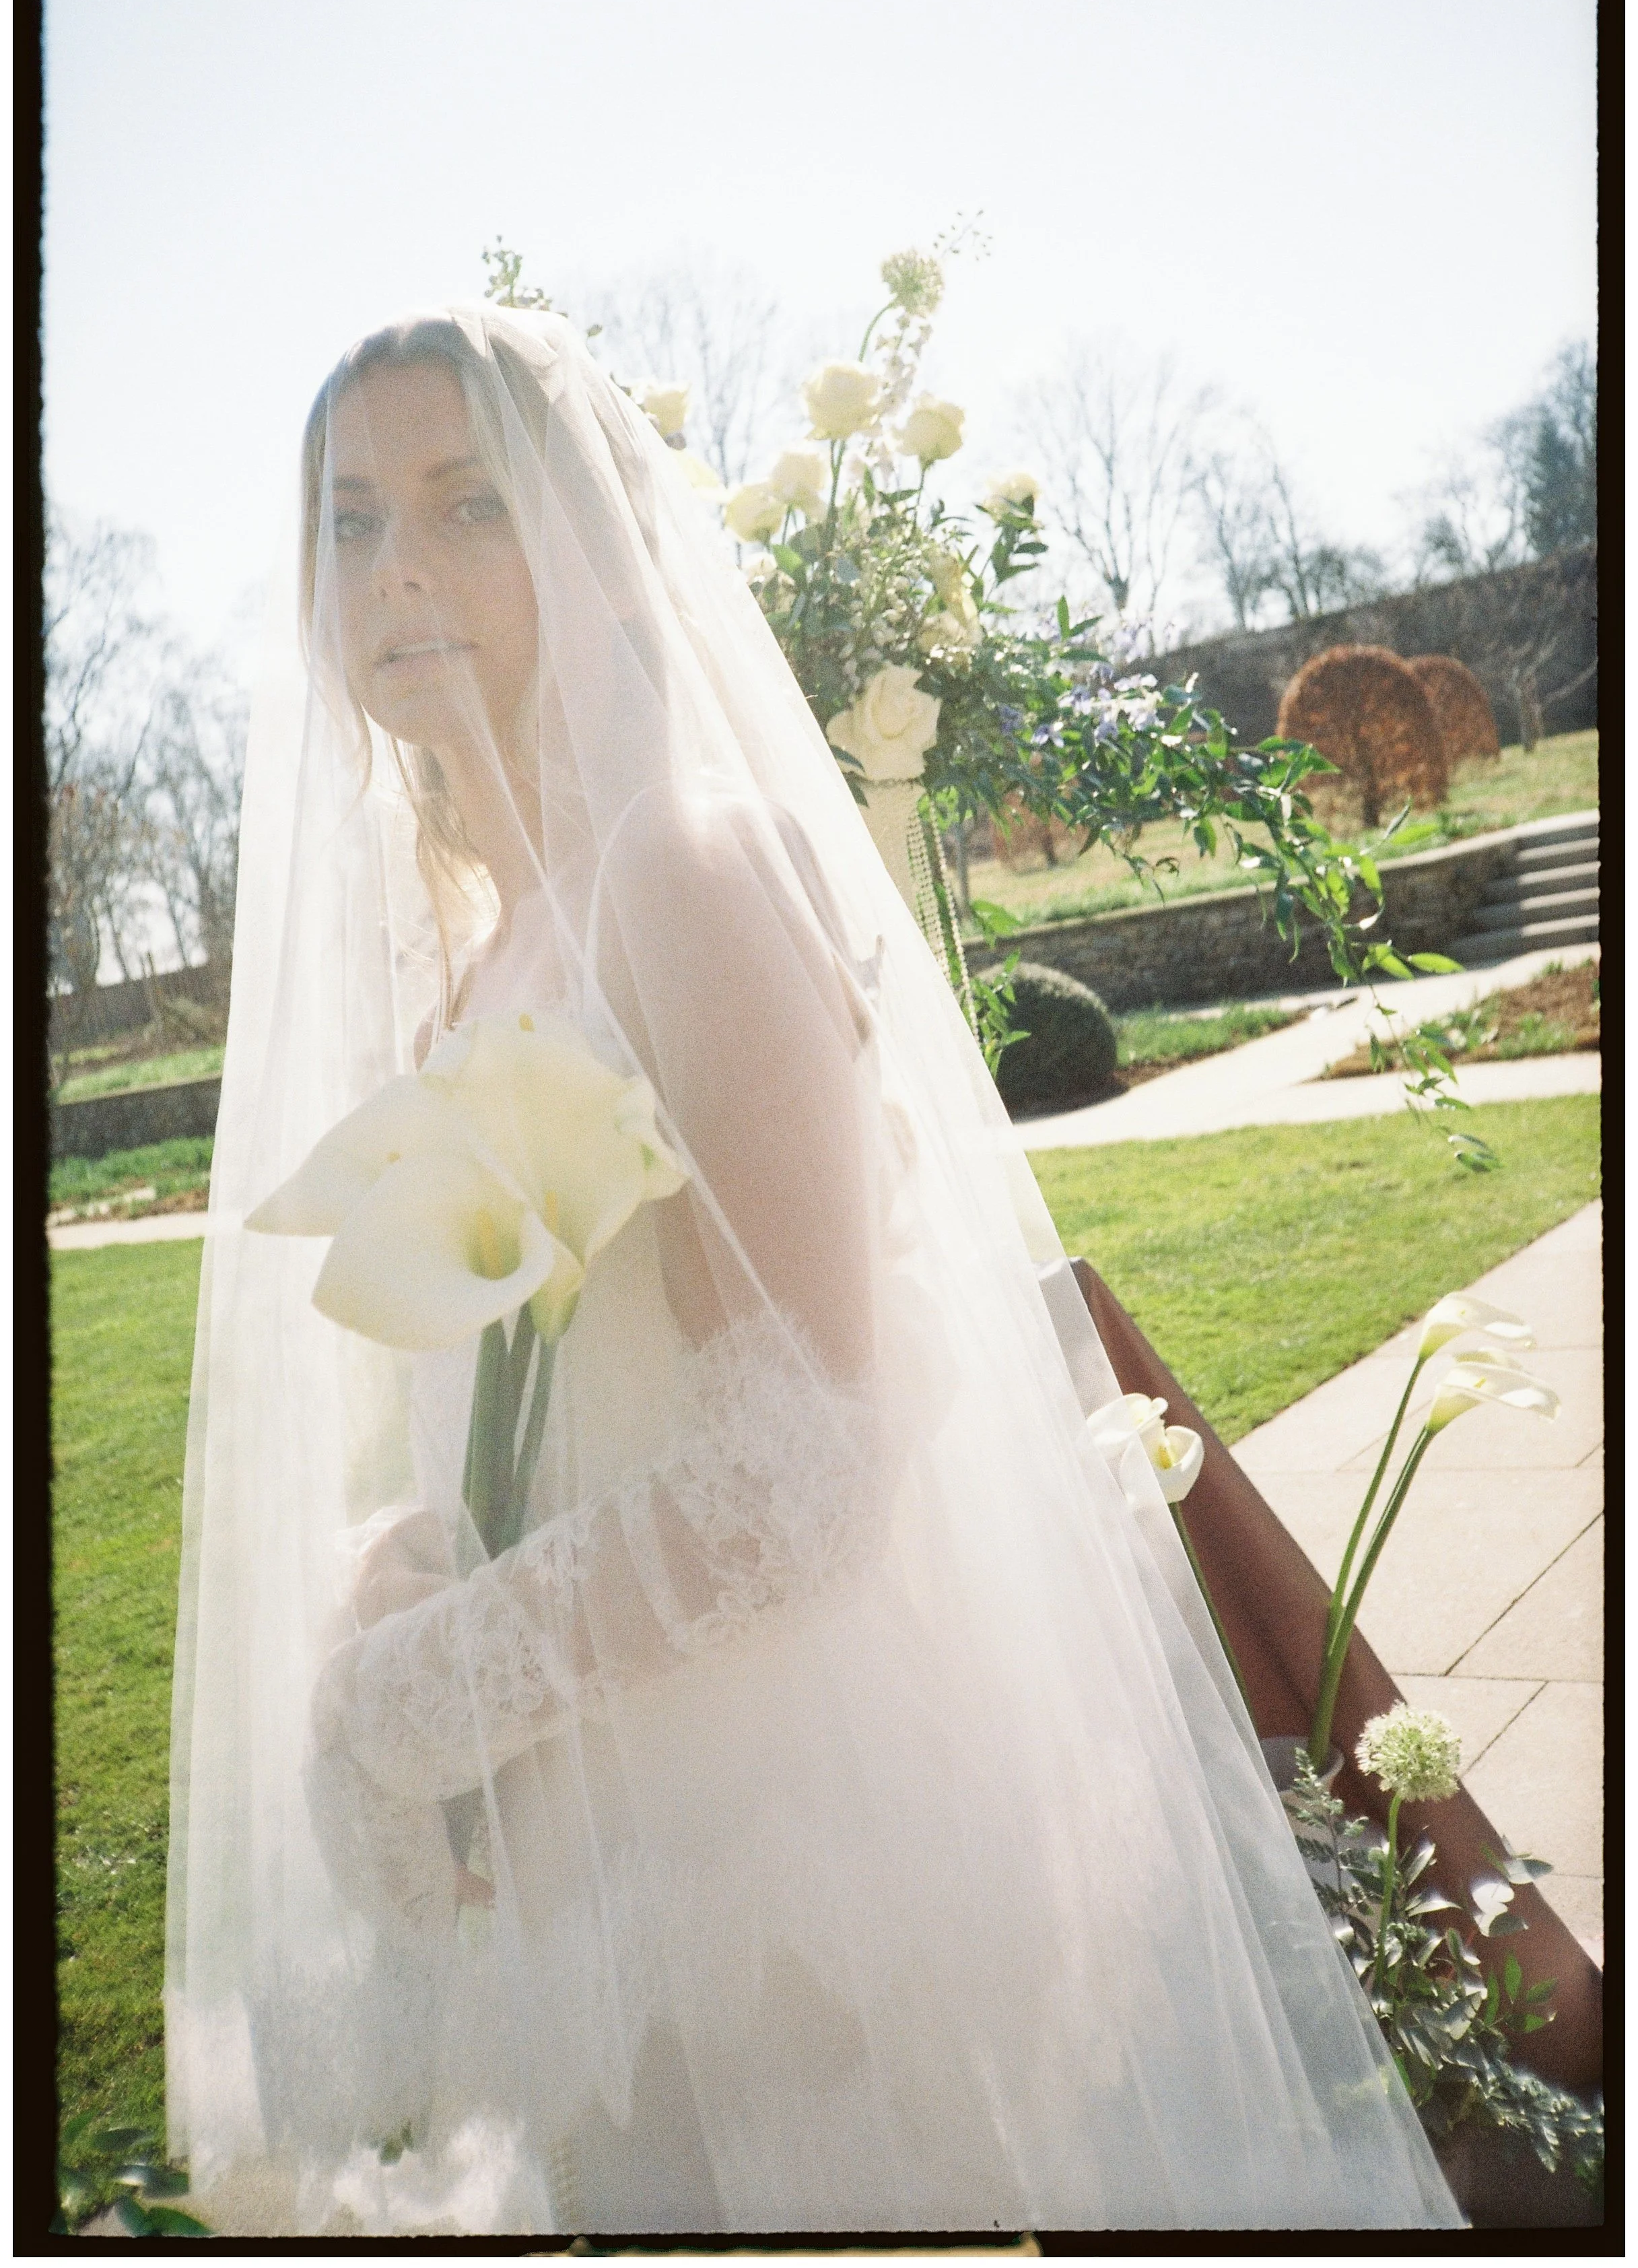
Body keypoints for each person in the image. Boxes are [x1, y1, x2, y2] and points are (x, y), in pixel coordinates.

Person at [165, 303, 1464, 2238]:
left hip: (773, 1862)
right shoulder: (483, 955)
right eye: (351, 520)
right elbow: (532, 1401)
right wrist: (409, 1566)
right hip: (579, 1855)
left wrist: (437, 1689)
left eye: (463, 505)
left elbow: (811, 1462)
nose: (398, 569)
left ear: (591, 547)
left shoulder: (691, 874)